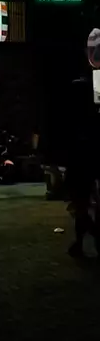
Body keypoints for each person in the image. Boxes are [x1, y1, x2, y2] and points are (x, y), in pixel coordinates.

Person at [65, 79, 100, 258]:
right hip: (90, 166)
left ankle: (88, 238)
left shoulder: (73, 119)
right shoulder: (93, 116)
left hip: (80, 167)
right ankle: (81, 243)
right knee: (83, 207)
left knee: (79, 206)